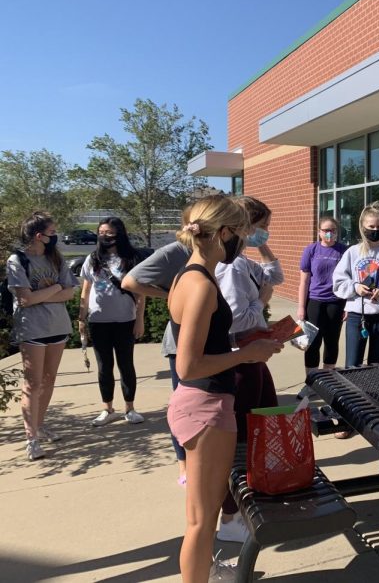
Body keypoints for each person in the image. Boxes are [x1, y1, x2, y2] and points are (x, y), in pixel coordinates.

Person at [166, 195, 282, 583]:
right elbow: (189, 365)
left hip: (201, 403)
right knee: (202, 521)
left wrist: (246, 350)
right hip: (206, 406)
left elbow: (203, 350)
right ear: (226, 232)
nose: (246, 241)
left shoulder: (190, 275)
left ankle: (205, 572)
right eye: (244, 233)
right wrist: (247, 354)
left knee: (202, 517)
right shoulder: (200, 284)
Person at [214, 196, 283, 543]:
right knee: (240, 436)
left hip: (251, 353)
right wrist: (262, 302)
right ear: (246, 226)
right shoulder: (232, 267)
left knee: (261, 421)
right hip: (240, 354)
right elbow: (236, 316)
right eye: (262, 227)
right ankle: (230, 516)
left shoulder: (242, 260)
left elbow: (276, 276)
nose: (264, 233)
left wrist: (266, 249)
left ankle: (249, 496)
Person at [123, 215, 193, 484]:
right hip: (180, 341)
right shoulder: (175, 252)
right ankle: (183, 465)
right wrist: (172, 295)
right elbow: (131, 282)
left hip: (211, 339)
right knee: (182, 406)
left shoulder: (217, 254)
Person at [7, 212, 78, 461]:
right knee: (33, 384)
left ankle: (39, 426)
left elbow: (70, 293)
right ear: (39, 236)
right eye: (52, 232)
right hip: (32, 329)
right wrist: (56, 287)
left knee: (48, 380)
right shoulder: (18, 261)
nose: (55, 235)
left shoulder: (56, 259)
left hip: (58, 327)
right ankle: (31, 439)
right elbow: (25, 299)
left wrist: (46, 293)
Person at [78, 217, 147, 426]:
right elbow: (86, 289)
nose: (104, 236)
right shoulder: (93, 258)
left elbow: (141, 292)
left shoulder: (131, 258)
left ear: (119, 234)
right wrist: (81, 318)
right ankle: (107, 409)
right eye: (101, 232)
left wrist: (139, 320)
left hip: (125, 320)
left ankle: (130, 408)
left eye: (109, 232)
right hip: (99, 320)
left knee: (126, 365)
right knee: (103, 366)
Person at [333, 201, 379, 369]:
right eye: (371, 226)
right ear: (362, 226)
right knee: (353, 364)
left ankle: (373, 395)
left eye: (378, 226)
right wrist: (355, 287)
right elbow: (338, 282)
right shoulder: (353, 252)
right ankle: (352, 395)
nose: (375, 230)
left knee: (376, 363)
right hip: (356, 316)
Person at [297, 215, 347, 389]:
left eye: (333, 230)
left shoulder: (343, 251)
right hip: (315, 302)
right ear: (319, 232)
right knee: (312, 344)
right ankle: (310, 384)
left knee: (331, 342)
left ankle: (327, 383)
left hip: (336, 302)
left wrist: (347, 305)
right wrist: (301, 307)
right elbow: (304, 281)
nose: (329, 234)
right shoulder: (311, 250)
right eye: (326, 230)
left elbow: (350, 280)